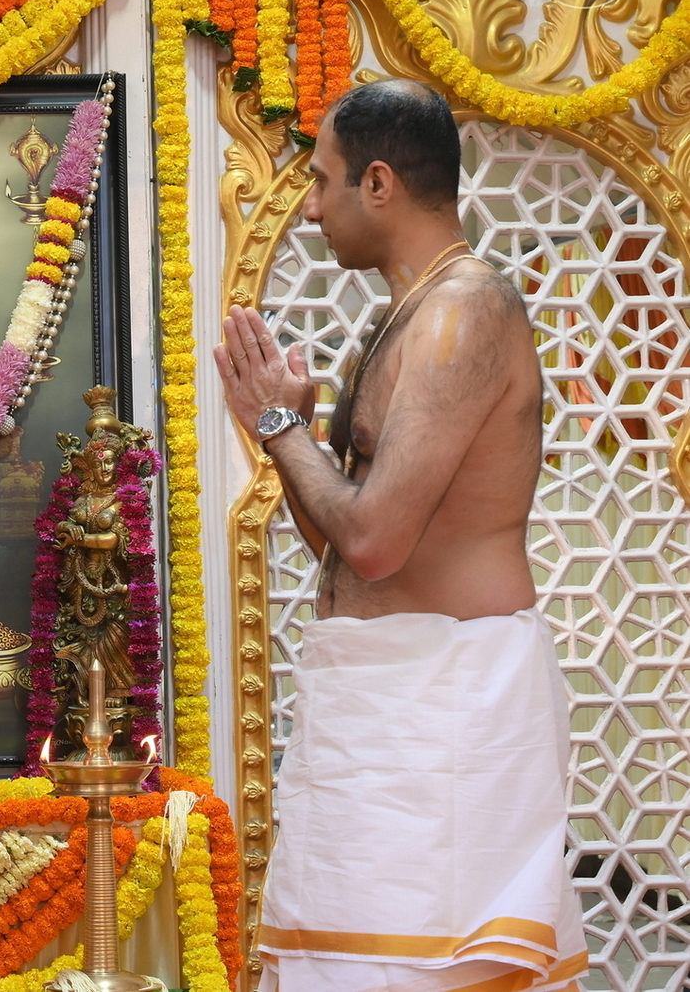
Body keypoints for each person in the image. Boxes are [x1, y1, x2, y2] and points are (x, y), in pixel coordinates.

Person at [215, 80, 587, 992]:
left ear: (378, 183)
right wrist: (285, 436)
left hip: (447, 710)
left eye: (323, 180)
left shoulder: (466, 311)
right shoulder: (398, 318)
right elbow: (350, 552)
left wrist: (280, 429)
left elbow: (375, 540)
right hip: (380, 707)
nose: (311, 208)